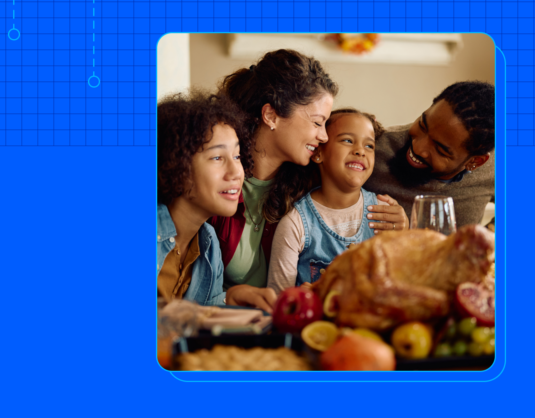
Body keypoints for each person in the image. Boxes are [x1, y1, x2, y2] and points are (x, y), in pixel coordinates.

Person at [157, 89, 277, 312]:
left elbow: (202, 311)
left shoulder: (208, 241)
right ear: (175, 164)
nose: (236, 172)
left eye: (237, 156)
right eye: (217, 157)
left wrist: (229, 298)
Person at [267, 109, 393, 294]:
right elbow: (278, 300)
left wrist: (404, 231)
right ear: (318, 153)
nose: (360, 151)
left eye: (369, 146)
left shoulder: (385, 213)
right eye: (348, 140)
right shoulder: (296, 223)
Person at [363, 81, 495, 228]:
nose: (418, 148)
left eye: (440, 149)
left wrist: (489, 235)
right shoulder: (372, 148)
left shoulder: (496, 170)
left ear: (475, 161)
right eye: (422, 126)